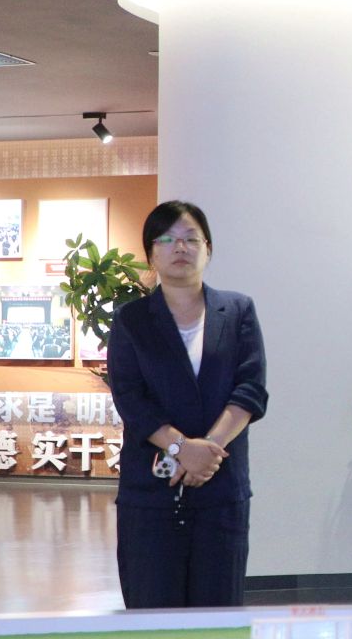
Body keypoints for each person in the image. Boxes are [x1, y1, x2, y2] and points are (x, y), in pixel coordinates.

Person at [105, 201, 267, 609]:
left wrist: (205, 452)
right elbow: (130, 397)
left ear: (208, 249)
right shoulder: (130, 319)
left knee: (218, 614)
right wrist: (180, 448)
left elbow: (250, 389)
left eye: (191, 238)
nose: (180, 247)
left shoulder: (238, 310)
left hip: (221, 484)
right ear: (150, 254)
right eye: (167, 239)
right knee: (152, 609)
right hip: (151, 489)